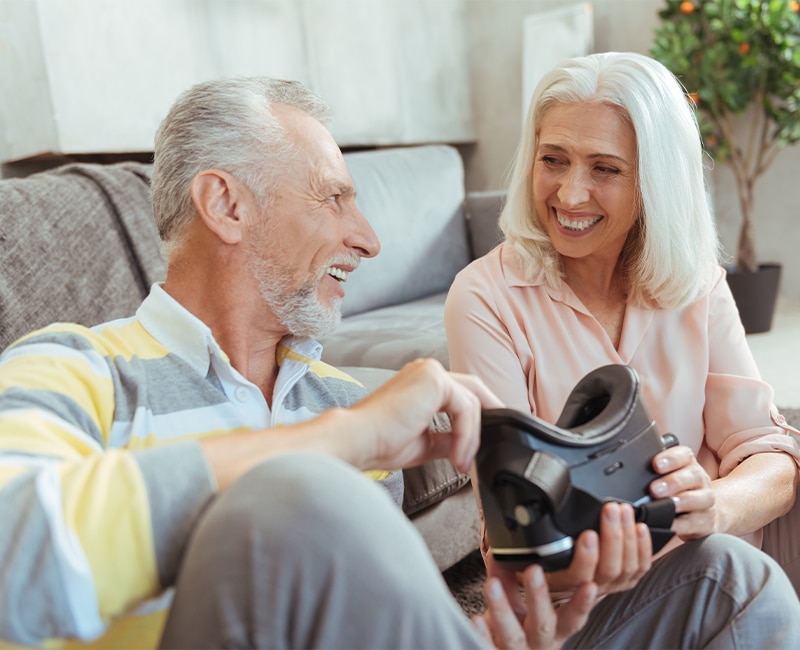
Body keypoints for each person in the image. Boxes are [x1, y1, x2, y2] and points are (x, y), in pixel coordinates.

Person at [1, 74, 798, 650]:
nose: (369, 239)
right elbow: (11, 558)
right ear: (227, 204)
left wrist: (508, 636)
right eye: (335, 197)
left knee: (732, 578)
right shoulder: (74, 368)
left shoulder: (336, 401)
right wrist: (342, 441)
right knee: (289, 497)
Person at [445, 51, 800, 645]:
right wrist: (638, 533)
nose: (570, 192)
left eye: (605, 169)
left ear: (654, 182)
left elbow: (771, 457)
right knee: (729, 572)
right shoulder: (485, 298)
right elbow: (511, 536)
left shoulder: (696, 283)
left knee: (732, 562)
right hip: (582, 616)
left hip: (718, 569)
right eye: (553, 159)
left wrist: (711, 503)